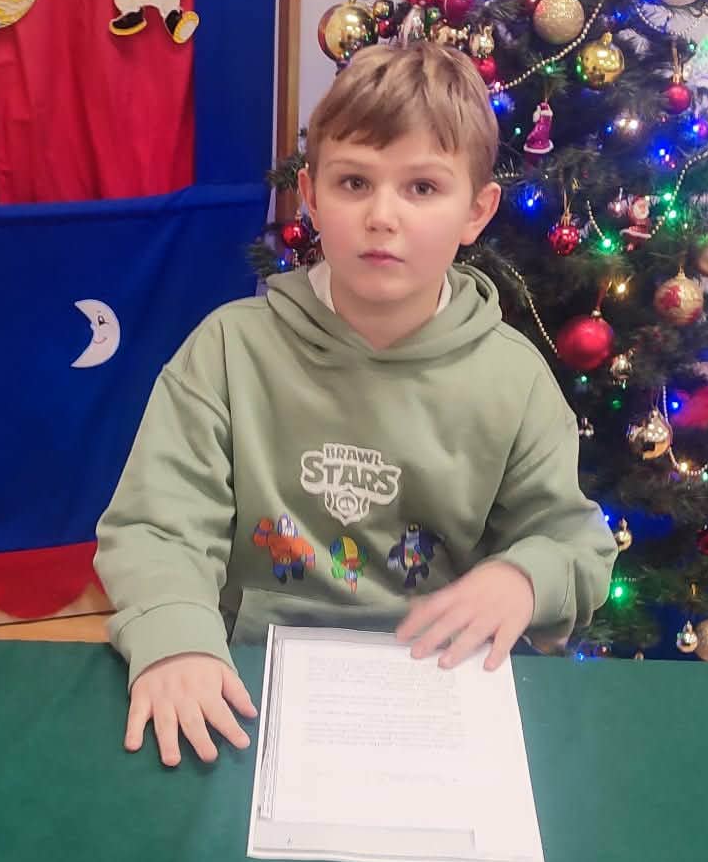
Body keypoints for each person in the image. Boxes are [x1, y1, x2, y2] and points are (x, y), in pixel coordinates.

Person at [96, 42, 620, 767]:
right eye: (353, 182)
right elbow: (160, 524)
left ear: (476, 211)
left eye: (422, 188)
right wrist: (176, 638)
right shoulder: (228, 348)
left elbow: (576, 544)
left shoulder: (516, 379)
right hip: (243, 677)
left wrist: (522, 578)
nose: (382, 216)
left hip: (435, 687)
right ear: (310, 197)